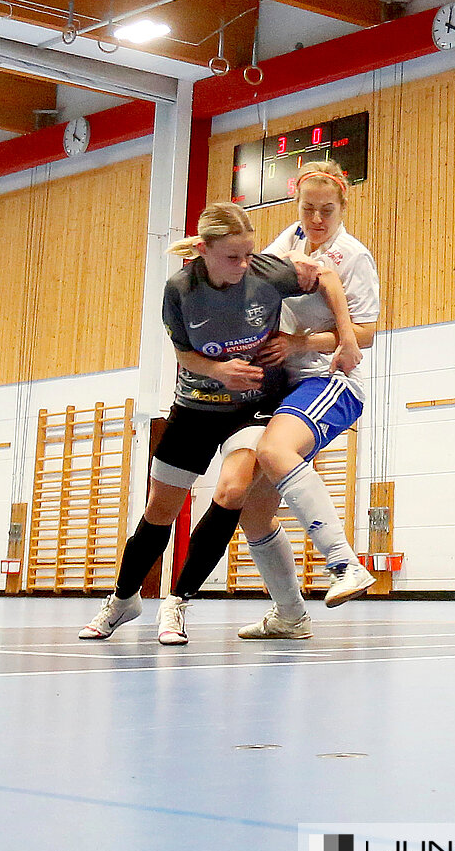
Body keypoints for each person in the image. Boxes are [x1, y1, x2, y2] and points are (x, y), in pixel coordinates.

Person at [77, 202, 356, 644]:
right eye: (232, 257)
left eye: (248, 254)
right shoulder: (180, 289)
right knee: (159, 511)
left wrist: (344, 336)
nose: (243, 265)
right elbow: (183, 352)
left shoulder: (266, 272)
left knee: (232, 492)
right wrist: (219, 371)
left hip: (253, 408)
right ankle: (123, 600)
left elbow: (327, 277)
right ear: (203, 251)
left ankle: (177, 602)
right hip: (196, 407)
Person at [234, 160, 382, 640]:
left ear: (342, 209)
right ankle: (290, 616)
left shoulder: (354, 256)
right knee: (254, 513)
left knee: (274, 451)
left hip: (332, 378)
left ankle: (345, 566)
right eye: (308, 208)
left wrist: (299, 344)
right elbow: (255, 273)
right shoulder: (289, 240)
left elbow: (364, 335)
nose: (317, 219)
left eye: (327, 211)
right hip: (290, 385)